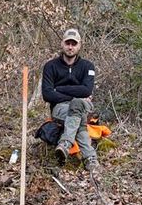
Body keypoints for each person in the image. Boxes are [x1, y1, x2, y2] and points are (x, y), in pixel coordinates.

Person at [41, 27, 99, 174]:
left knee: (78, 104)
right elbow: (47, 95)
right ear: (62, 44)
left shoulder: (88, 66)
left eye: (74, 44)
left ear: (79, 45)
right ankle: (90, 158)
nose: (70, 47)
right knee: (78, 114)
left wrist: (59, 89)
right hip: (60, 108)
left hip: (83, 106)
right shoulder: (50, 66)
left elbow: (87, 90)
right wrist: (75, 95)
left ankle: (65, 144)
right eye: (68, 43)